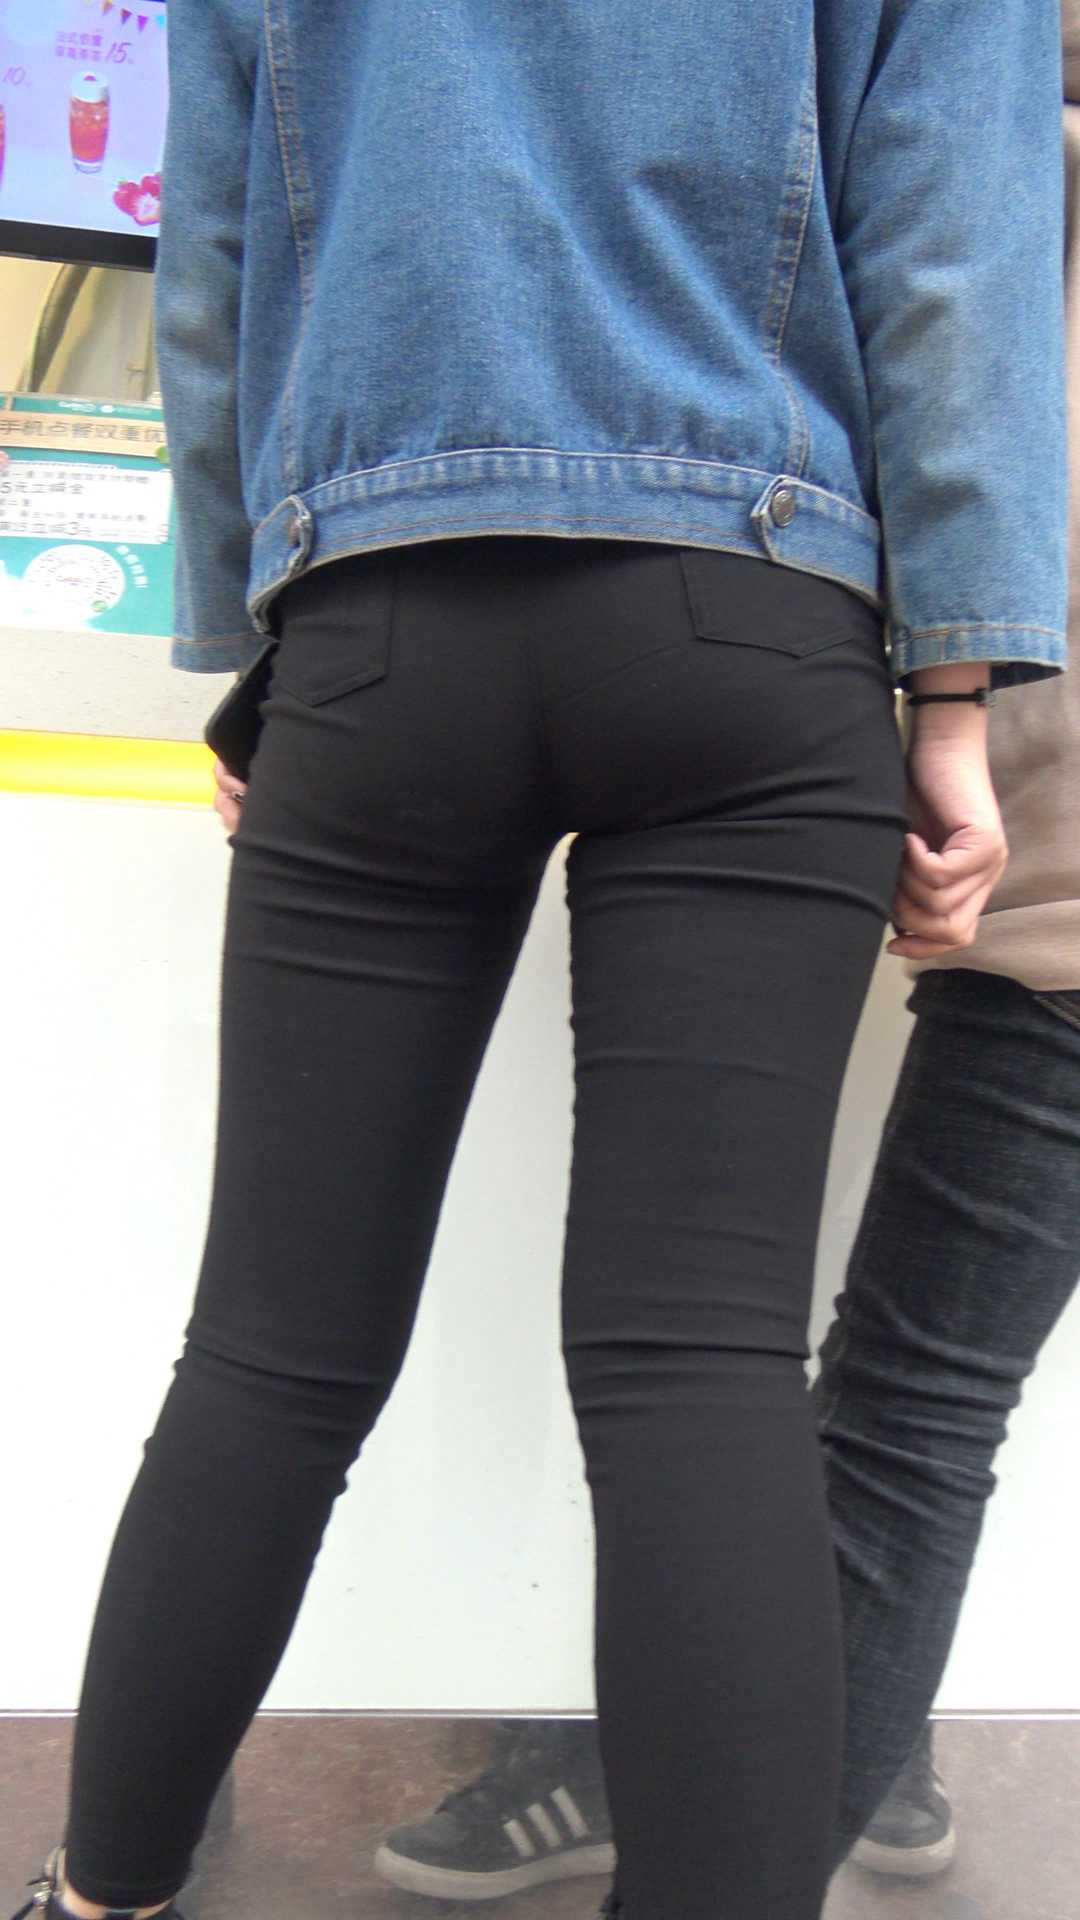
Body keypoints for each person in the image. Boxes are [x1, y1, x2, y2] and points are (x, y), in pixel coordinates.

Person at [9, 6, 1067, 1920]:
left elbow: (217, 246)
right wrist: (956, 687)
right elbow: (952, 238)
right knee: (699, 1367)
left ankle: (97, 1903)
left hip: (382, 611)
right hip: (757, 603)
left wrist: (260, 620)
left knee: (270, 1354)